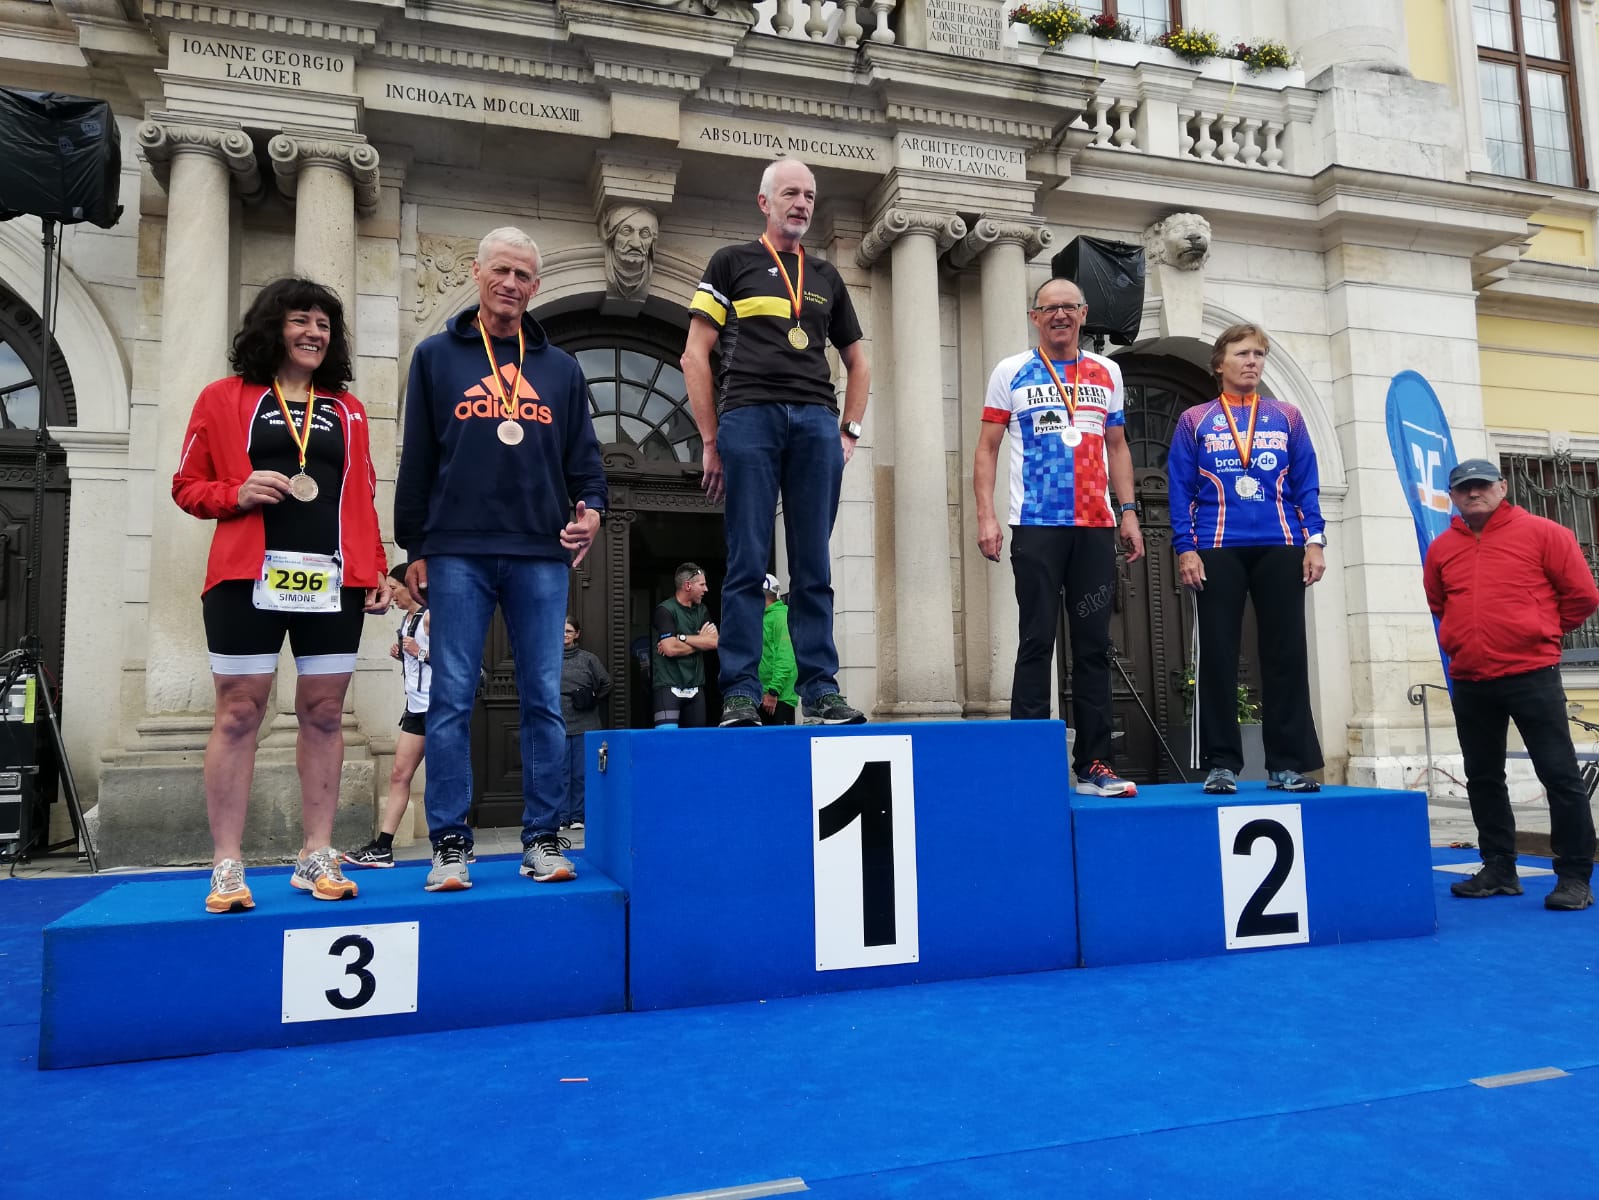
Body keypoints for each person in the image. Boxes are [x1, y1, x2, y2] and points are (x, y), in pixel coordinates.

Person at [394, 226, 607, 892]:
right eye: (501, 271)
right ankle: (449, 846)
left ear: (535, 287)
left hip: (539, 553)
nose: (511, 284)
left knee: (544, 699)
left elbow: (585, 462)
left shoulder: (561, 370)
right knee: (451, 699)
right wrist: (413, 548)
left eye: (522, 275)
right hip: (455, 549)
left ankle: (542, 837)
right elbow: (417, 457)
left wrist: (594, 511)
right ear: (477, 273)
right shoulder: (435, 357)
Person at [172, 276, 390, 913]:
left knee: (324, 712)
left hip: (332, 579)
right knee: (240, 712)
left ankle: (315, 852)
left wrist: (376, 567)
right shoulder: (222, 397)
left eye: (323, 324)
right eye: (301, 320)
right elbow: (187, 484)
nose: (314, 333)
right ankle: (227, 863)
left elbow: (362, 493)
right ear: (273, 327)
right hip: (247, 576)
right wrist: (234, 493)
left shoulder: (347, 408)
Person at [682, 158, 870, 728]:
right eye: (790, 193)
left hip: (816, 420)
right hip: (749, 416)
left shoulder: (826, 275)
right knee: (746, 561)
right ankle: (740, 693)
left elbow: (859, 361)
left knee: (813, 564)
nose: (802, 204)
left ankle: (821, 690)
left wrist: (850, 429)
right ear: (764, 202)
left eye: (809, 195)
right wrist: (710, 438)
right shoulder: (731, 262)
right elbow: (694, 355)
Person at [973, 278, 1144, 798]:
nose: (1060, 316)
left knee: (1093, 646)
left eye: (1069, 307)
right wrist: (986, 516)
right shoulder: (1010, 371)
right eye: (1049, 308)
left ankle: (1095, 764)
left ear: (1084, 313)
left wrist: (1129, 513)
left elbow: (1117, 446)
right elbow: (986, 448)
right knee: (1035, 640)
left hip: (1095, 526)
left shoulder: (1108, 372)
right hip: (1036, 524)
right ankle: (1029, 763)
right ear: (1035, 317)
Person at [1424, 458, 1598, 911]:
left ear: (1502, 487)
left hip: (1532, 674)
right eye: (1464, 488)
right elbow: (1440, 604)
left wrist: (1540, 631)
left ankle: (1575, 876)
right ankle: (1499, 868)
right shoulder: (1442, 548)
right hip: (1471, 678)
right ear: (1453, 496)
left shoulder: (1545, 534)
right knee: (1483, 777)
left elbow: (1583, 596)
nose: (1473, 493)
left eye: (1482, 485)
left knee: (1559, 775)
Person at [1167, 323, 1326, 795]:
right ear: (1220, 363)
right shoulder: (1195, 420)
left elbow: (1306, 482)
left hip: (1281, 542)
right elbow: (1179, 488)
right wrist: (1185, 547)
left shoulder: (1287, 416)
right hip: (1217, 544)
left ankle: (1287, 764)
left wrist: (1314, 541)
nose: (1252, 361)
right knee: (1217, 654)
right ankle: (1221, 763)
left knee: (1286, 654)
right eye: (1242, 353)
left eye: (1258, 354)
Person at [342, 566, 438, 868]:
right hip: (415, 708)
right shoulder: (407, 619)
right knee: (399, 774)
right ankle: (383, 846)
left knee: (443, 776)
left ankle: (457, 843)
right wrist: (403, 654)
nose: (391, 595)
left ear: (412, 586)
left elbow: (455, 659)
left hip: (439, 707)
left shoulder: (430, 616)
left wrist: (419, 652)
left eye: (394, 588)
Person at [559, 617, 611, 828]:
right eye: (561, 630)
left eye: (569, 631)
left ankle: (578, 817)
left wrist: (592, 698)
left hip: (585, 722)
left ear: (577, 634)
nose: (565, 634)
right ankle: (561, 816)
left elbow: (606, 683)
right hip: (558, 722)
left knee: (582, 772)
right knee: (560, 772)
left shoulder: (588, 659)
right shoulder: (549, 658)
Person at [653, 563, 718, 728]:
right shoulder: (665, 610)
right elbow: (670, 649)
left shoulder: (702, 610)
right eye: (702, 584)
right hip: (668, 686)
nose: (706, 589)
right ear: (688, 585)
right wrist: (700, 640)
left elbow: (714, 642)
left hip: (696, 687)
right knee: (666, 738)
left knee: (695, 741)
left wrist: (681, 638)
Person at [759, 572, 799, 726]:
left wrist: (773, 691)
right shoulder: (764, 617)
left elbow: (786, 656)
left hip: (778, 698)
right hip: (765, 696)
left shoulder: (781, 617)